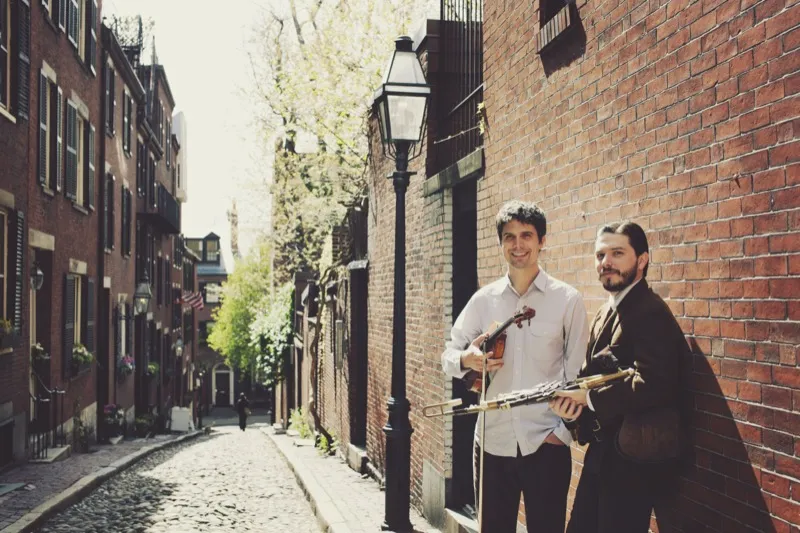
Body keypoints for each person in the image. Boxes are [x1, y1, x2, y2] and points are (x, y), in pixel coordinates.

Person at [441, 200, 589, 533]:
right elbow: (448, 355)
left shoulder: (568, 300)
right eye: (509, 237)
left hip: (546, 442)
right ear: (501, 243)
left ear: (542, 241)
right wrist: (467, 359)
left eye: (526, 235)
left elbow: (577, 375)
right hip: (492, 443)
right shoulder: (484, 300)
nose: (518, 245)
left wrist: (560, 434)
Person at [550, 221, 688, 533]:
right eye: (600, 255)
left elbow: (655, 383)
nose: (606, 263)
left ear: (642, 260)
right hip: (602, 454)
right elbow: (590, 377)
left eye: (617, 253)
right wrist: (571, 410)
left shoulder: (650, 311)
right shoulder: (604, 312)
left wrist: (587, 398)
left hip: (634, 461)